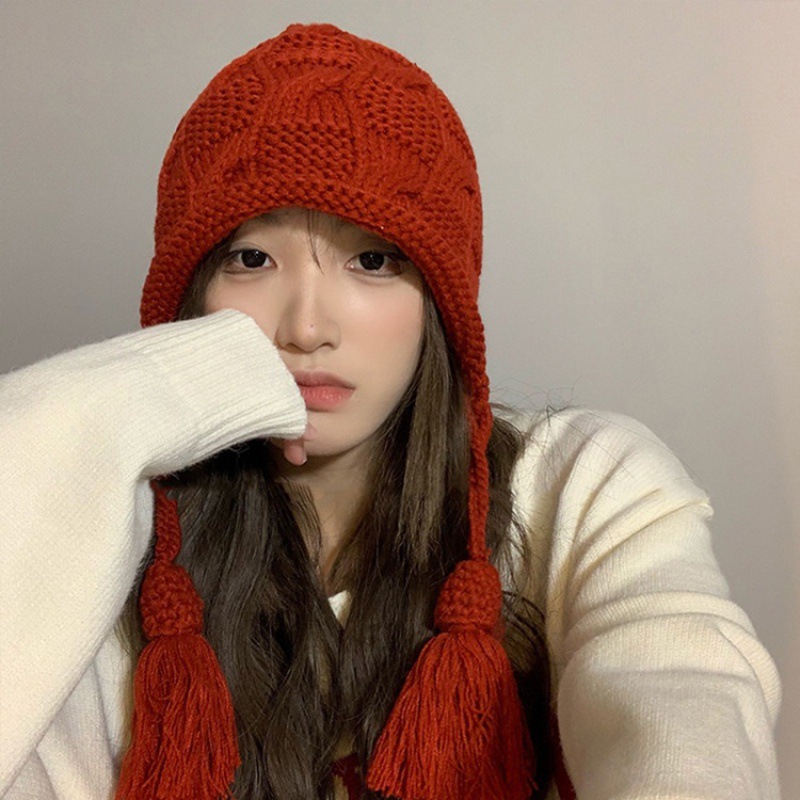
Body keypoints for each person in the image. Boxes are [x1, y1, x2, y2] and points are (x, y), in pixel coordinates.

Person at [0, 22, 781, 800]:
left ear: (440, 303)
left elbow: (685, 697)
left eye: (371, 260)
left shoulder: (583, 486)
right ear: (189, 296)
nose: (307, 328)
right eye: (251, 259)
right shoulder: (104, 546)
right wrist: (111, 406)